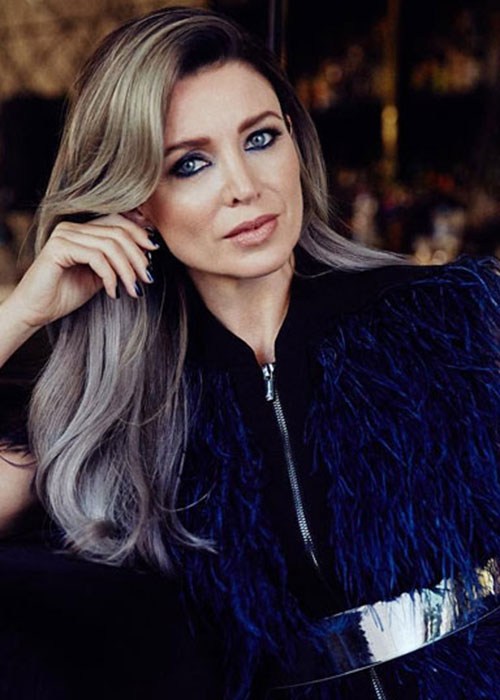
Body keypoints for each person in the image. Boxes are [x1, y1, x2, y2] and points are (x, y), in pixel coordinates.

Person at [0, 6, 498, 699]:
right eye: (191, 163)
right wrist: (21, 311)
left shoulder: (447, 318)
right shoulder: (112, 410)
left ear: (295, 142)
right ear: (135, 203)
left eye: (260, 138)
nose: (244, 186)